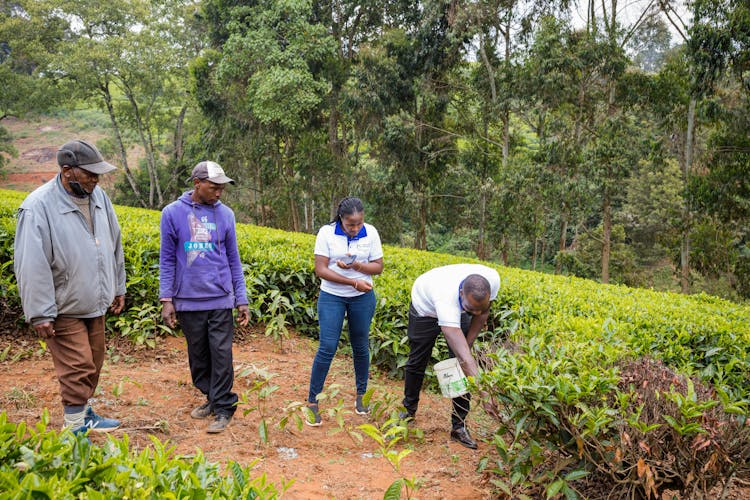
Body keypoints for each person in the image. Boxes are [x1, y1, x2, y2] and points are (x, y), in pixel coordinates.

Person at [14, 139, 126, 434]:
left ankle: (85, 414)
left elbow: (114, 244)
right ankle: (74, 429)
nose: (96, 178)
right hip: (63, 306)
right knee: (77, 367)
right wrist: (40, 313)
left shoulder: (99, 197)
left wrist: (118, 286)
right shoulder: (38, 207)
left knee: (94, 363)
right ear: (67, 171)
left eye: (97, 173)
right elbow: (31, 264)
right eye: (89, 173)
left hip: (95, 299)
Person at [159, 161, 249, 434]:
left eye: (222, 188)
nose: (219, 192)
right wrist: (167, 299)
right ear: (197, 183)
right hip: (188, 300)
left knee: (221, 355)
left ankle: (224, 407)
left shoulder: (226, 215)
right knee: (198, 357)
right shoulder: (172, 214)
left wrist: (241, 298)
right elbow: (166, 259)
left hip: (220, 298)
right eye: (214, 187)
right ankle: (211, 396)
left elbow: (233, 259)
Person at [401, 263, 500, 449]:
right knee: (417, 361)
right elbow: (464, 358)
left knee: (461, 365)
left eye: (480, 308)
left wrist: (467, 344)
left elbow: (481, 314)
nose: (476, 313)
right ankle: (408, 410)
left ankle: (458, 427)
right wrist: (485, 394)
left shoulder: (492, 280)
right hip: (425, 309)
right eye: (471, 310)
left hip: (456, 307)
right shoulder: (445, 297)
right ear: (461, 293)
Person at [305, 197, 384, 426]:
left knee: (360, 345)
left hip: (363, 297)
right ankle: (312, 402)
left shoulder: (370, 233)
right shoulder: (326, 233)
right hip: (332, 296)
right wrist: (351, 282)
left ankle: (361, 395)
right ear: (341, 219)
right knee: (327, 346)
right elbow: (320, 269)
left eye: (359, 223)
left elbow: (378, 267)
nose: (356, 228)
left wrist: (357, 267)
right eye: (351, 224)